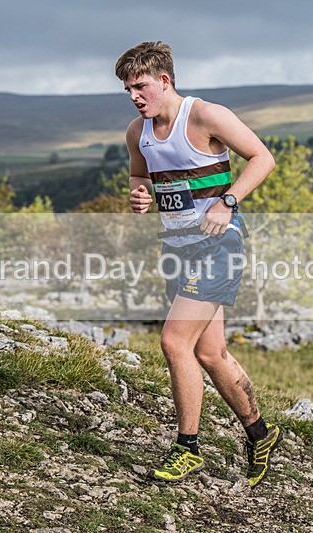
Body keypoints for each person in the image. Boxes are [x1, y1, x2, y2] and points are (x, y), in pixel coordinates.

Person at [115, 41, 281, 488]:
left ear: (164, 80)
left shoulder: (207, 115)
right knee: (210, 352)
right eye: (128, 88)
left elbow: (263, 158)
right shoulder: (138, 131)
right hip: (176, 249)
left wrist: (228, 201)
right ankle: (262, 435)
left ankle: (187, 448)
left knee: (174, 342)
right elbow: (138, 174)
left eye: (141, 86)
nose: (134, 95)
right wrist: (138, 195)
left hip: (218, 246)